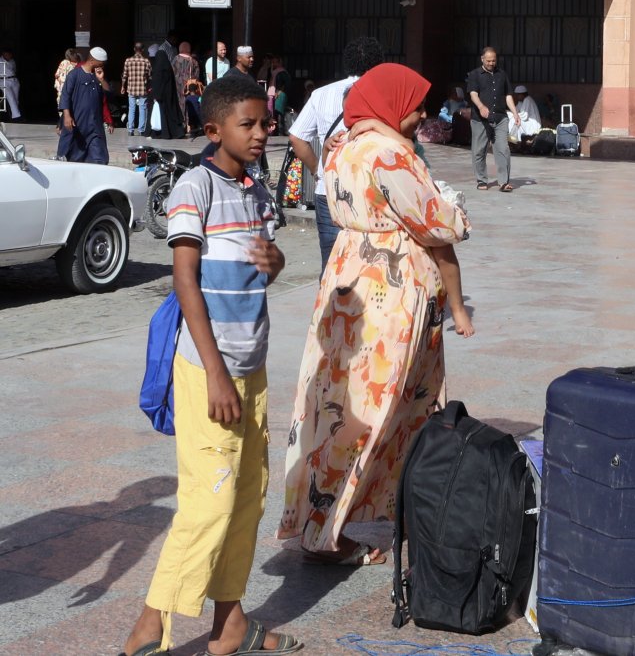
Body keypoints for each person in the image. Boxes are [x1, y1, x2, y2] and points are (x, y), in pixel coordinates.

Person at [118, 75, 299, 656]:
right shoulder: (194, 188)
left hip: (255, 364)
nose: (261, 134)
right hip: (207, 368)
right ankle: (151, 625)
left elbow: (261, 266)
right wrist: (217, 372)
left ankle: (230, 626)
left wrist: (277, 260)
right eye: (248, 124)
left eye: (265, 123)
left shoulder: (257, 190)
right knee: (211, 499)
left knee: (249, 492)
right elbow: (185, 280)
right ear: (214, 128)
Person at [277, 63, 471, 564]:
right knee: (383, 406)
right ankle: (344, 529)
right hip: (391, 289)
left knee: (333, 398)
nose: (421, 113)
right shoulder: (389, 155)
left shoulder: (341, 147)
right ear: (390, 102)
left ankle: (321, 522)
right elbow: (439, 222)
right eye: (414, 103)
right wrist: (456, 208)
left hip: (344, 277)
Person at [287, 36, 385, 273]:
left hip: (328, 190)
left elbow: (297, 138)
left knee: (332, 265)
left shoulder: (321, 94)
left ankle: (330, 308)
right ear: (379, 64)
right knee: (370, 266)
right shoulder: (384, 94)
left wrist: (317, 170)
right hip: (372, 190)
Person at [466, 46, 520, 192]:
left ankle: (503, 182)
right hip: (480, 119)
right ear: (482, 59)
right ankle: (481, 180)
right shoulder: (475, 75)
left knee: (503, 149)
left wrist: (515, 113)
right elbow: (473, 94)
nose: (491, 63)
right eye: (488, 60)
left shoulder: (502, 74)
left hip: (500, 117)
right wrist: (481, 107)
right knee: (479, 150)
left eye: (493, 61)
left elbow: (508, 95)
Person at [57, 47, 111, 164]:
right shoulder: (74, 74)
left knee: (99, 160)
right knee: (75, 159)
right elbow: (65, 95)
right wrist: (66, 116)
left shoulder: (97, 76)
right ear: (92, 60)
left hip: (95, 127)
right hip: (78, 125)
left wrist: (101, 80)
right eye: (101, 63)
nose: (103, 65)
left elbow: (107, 93)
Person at [149, 44, 185, 139]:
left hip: (161, 95)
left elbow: (156, 83)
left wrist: (155, 95)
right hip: (170, 95)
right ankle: (177, 132)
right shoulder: (168, 68)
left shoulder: (157, 69)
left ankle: (164, 133)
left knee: (162, 114)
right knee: (171, 112)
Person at [121, 42, 152, 136]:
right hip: (142, 89)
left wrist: (123, 86)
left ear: (134, 49)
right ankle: (141, 130)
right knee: (142, 109)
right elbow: (150, 76)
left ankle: (130, 130)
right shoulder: (146, 61)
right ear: (143, 50)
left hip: (131, 88)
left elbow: (124, 75)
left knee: (132, 108)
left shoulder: (128, 61)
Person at [172, 41, 201, 121]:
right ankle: (189, 123)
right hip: (189, 87)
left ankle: (181, 122)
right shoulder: (194, 61)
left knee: (179, 103)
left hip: (177, 86)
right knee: (190, 103)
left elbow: (171, 73)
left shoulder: (175, 59)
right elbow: (197, 76)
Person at [0, 49, 21, 122]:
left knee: (16, 99)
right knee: (11, 98)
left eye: (10, 54)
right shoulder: (0, 61)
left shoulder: (12, 61)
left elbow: (14, 70)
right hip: (4, 80)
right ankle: (17, 117)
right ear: (3, 54)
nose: (9, 56)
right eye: (7, 54)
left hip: (13, 80)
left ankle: (14, 116)